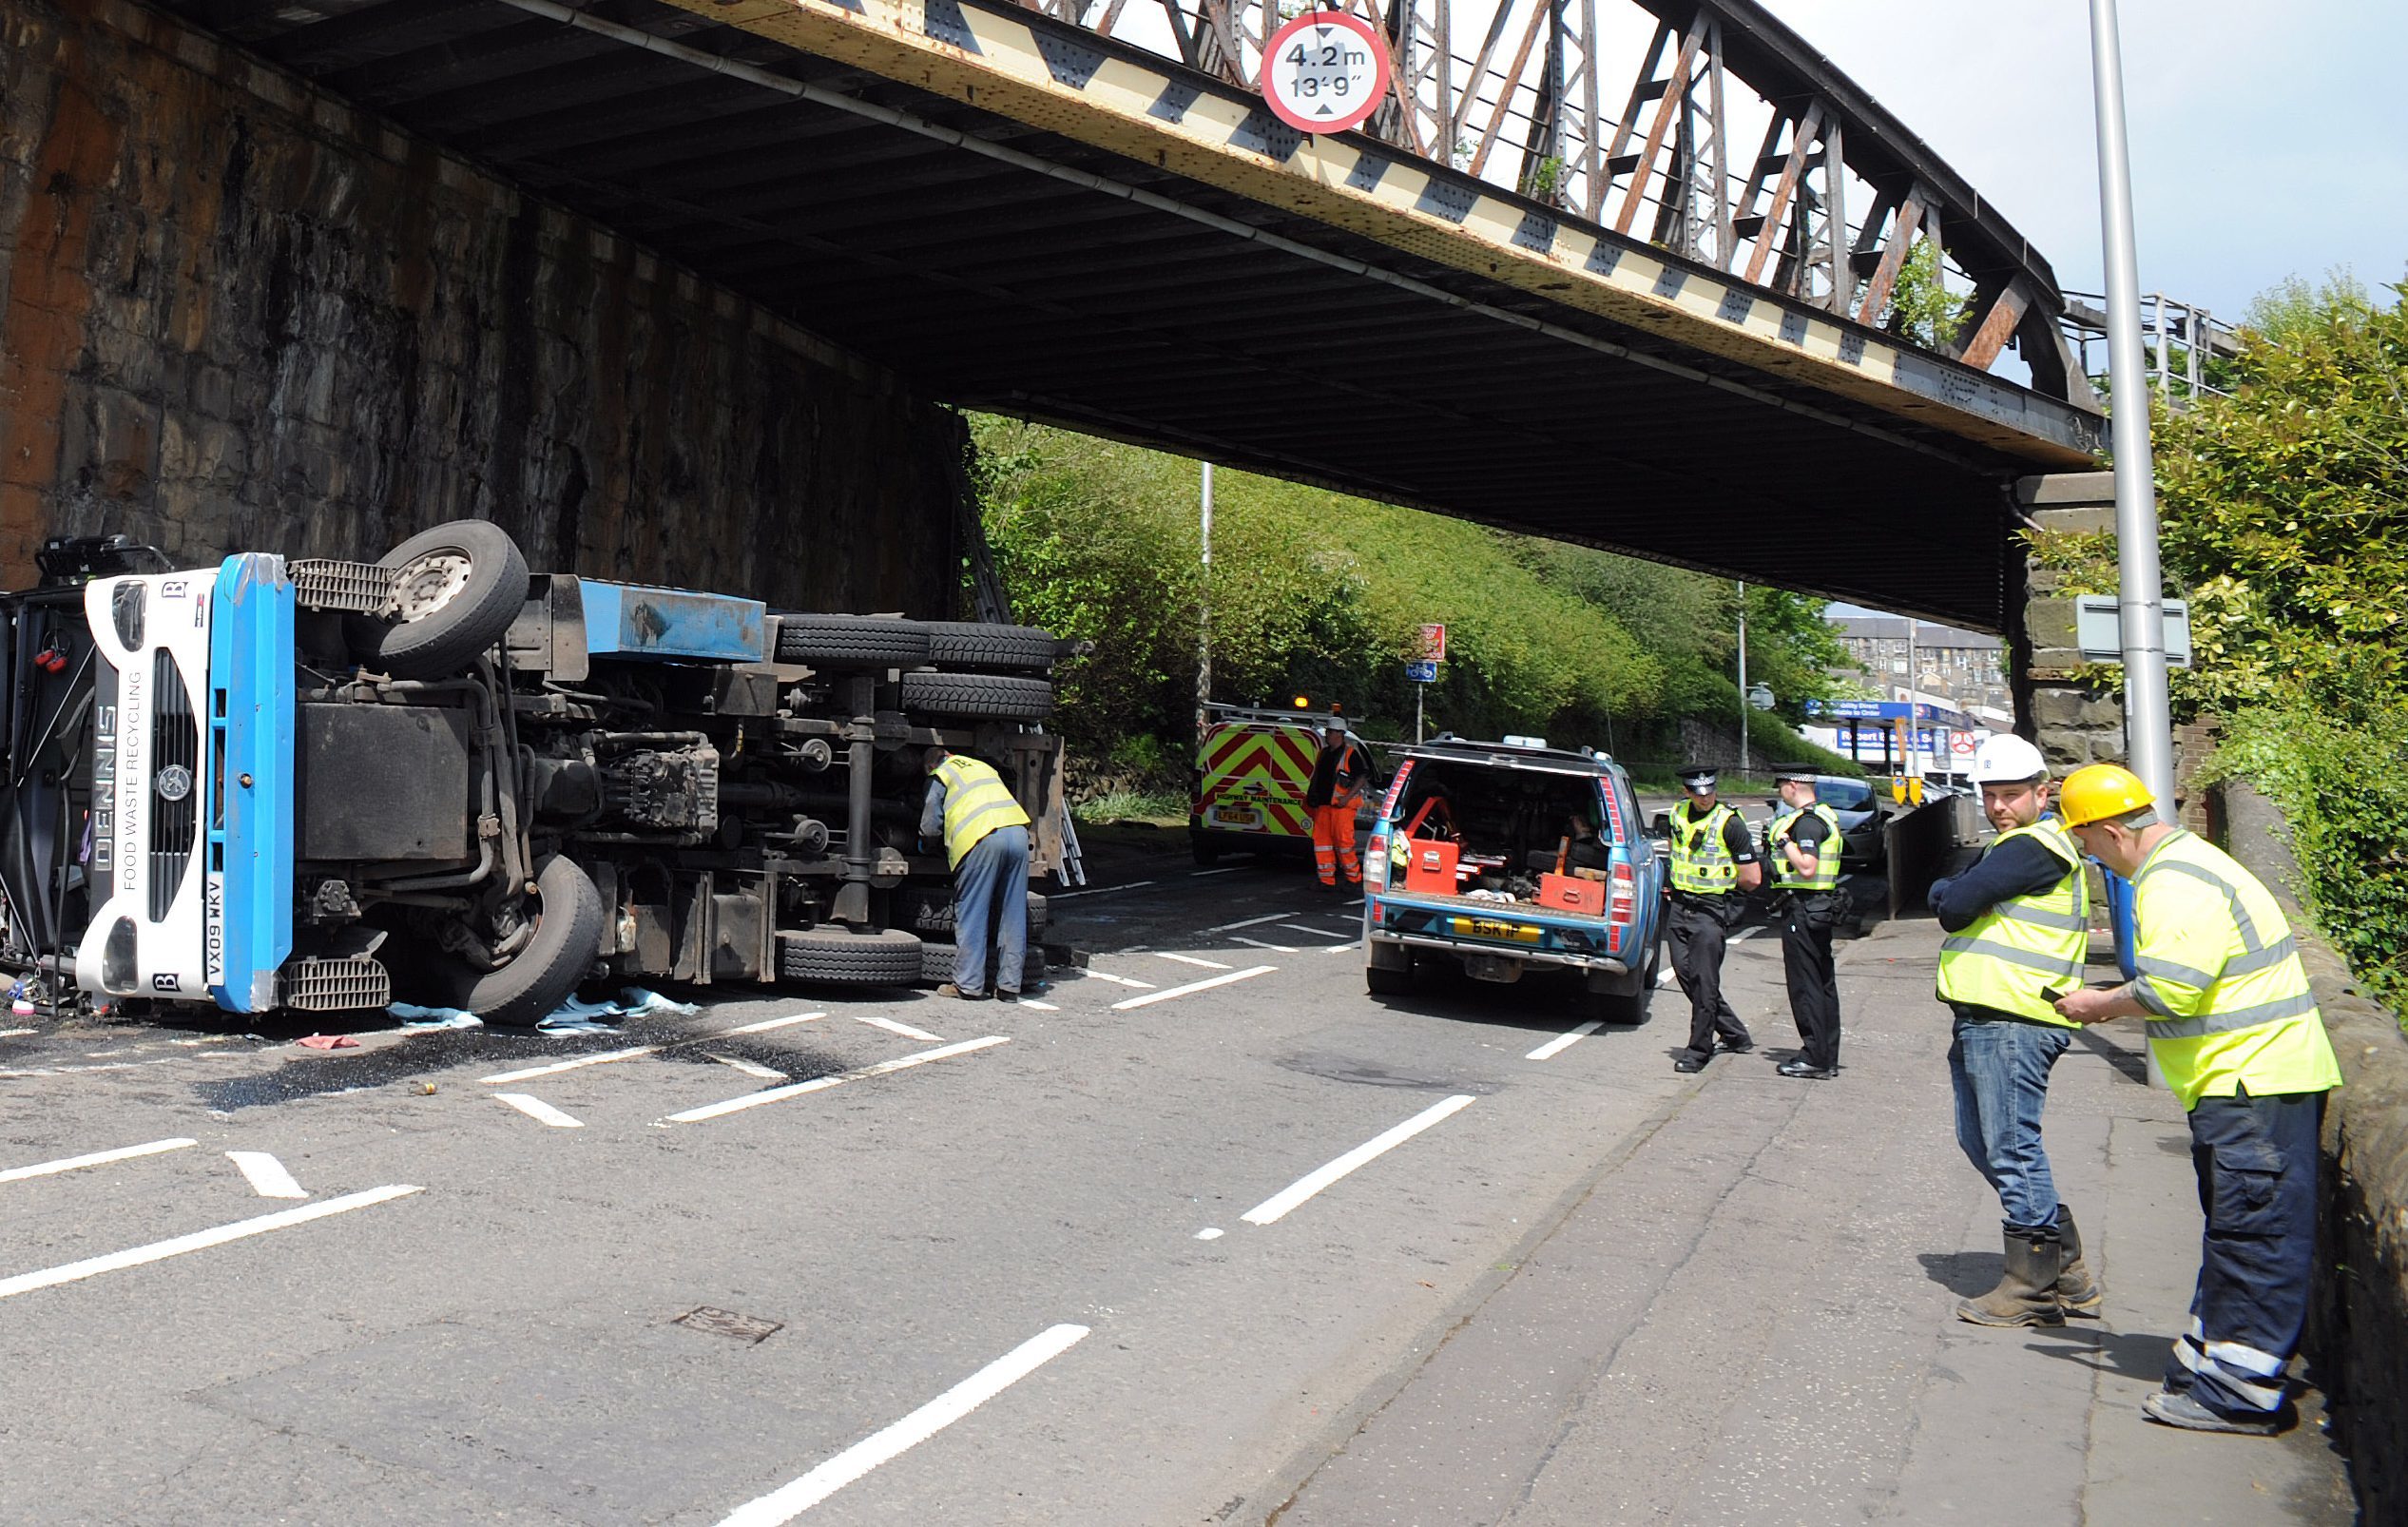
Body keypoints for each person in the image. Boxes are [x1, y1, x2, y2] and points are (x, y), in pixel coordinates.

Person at [2053, 763, 2341, 1435]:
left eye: (2085, 843)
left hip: (2250, 1086)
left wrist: (2099, 1004)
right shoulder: (2189, 865)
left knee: (2253, 1237)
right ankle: (2212, 1364)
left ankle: (2239, 1396)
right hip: (2250, 1083)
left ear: (2107, 831)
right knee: (2239, 1233)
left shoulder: (2172, 883)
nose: (2089, 857)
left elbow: (2171, 988)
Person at [1925, 735, 2096, 1326]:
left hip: (2016, 1022)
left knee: (2011, 1148)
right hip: (1984, 1018)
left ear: (2042, 793)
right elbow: (1951, 893)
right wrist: (1958, 893)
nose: (1999, 806)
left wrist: (1958, 894)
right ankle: (2066, 1268)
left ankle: (2030, 1290)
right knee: (1983, 1143)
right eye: (1990, 795)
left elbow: (1950, 902)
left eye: (2011, 795)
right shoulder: (2009, 846)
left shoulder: (2034, 847)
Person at [1665, 764, 1763, 1074]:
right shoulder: (1676, 813)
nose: (1705, 798)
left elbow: (1752, 878)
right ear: (1687, 792)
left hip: (1709, 910)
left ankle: (1698, 1051)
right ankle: (1735, 1034)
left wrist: (1723, 893)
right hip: (1680, 906)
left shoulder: (1730, 823)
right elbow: (1674, 848)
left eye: (1710, 793)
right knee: (1684, 974)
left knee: (1704, 984)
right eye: (1698, 793)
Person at [918, 744, 1035, 1000]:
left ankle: (968, 985)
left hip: (982, 837)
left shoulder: (942, 773)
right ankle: (1009, 987)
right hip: (1017, 833)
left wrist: (927, 846)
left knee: (972, 910)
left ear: (931, 765)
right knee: (1013, 913)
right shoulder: (983, 766)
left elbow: (930, 824)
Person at [1765, 764, 1843, 1079]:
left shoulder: (1807, 824)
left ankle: (1814, 1057)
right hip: (1817, 909)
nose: (1780, 791)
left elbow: (1807, 867)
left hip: (1803, 909)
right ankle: (1826, 1055)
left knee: (1805, 986)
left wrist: (1784, 842)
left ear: (1794, 785)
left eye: (1782, 785)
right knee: (1823, 983)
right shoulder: (1825, 815)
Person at [1303, 710, 1372, 891]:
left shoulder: (1350, 754)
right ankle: (1326, 880)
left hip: (1342, 807)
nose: (1328, 735)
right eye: (1328, 732)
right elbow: (1317, 776)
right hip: (1324, 806)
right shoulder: (1324, 753)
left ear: (1340, 734)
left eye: (1331, 732)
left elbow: (1362, 776)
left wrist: (1347, 797)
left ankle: (1353, 879)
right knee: (1322, 843)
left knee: (1344, 844)